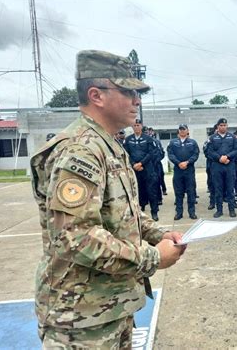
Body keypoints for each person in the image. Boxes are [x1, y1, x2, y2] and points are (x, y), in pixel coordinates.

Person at [30, 50, 186, 348]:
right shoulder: (80, 150)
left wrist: (158, 233)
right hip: (80, 319)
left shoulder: (108, 144)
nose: (137, 100)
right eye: (128, 91)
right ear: (96, 95)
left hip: (109, 306)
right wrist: (153, 257)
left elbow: (122, 211)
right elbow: (75, 238)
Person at [124, 120, 160, 221]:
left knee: (151, 191)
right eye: (134, 125)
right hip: (134, 169)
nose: (136, 127)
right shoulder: (128, 140)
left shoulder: (148, 139)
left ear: (141, 126)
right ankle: (140, 211)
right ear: (132, 127)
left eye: (138, 125)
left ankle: (154, 212)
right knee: (137, 191)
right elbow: (126, 153)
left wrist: (141, 163)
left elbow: (151, 153)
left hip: (147, 169)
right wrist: (133, 164)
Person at [206, 118, 237, 218]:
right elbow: (209, 151)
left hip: (229, 166)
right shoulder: (212, 138)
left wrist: (227, 157)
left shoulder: (232, 137)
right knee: (218, 189)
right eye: (221, 125)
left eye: (225, 125)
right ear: (217, 127)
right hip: (217, 166)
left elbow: (236, 150)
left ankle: (231, 210)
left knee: (230, 189)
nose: (223, 127)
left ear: (227, 126)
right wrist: (219, 158)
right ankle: (219, 210)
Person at [167, 124, 199, 220]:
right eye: (180, 129)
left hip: (189, 170)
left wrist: (187, 162)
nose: (182, 131)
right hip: (178, 170)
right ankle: (179, 213)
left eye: (184, 129)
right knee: (178, 192)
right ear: (178, 131)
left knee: (191, 192)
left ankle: (192, 212)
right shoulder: (173, 142)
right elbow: (170, 154)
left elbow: (195, 154)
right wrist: (178, 163)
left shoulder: (193, 142)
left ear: (187, 130)